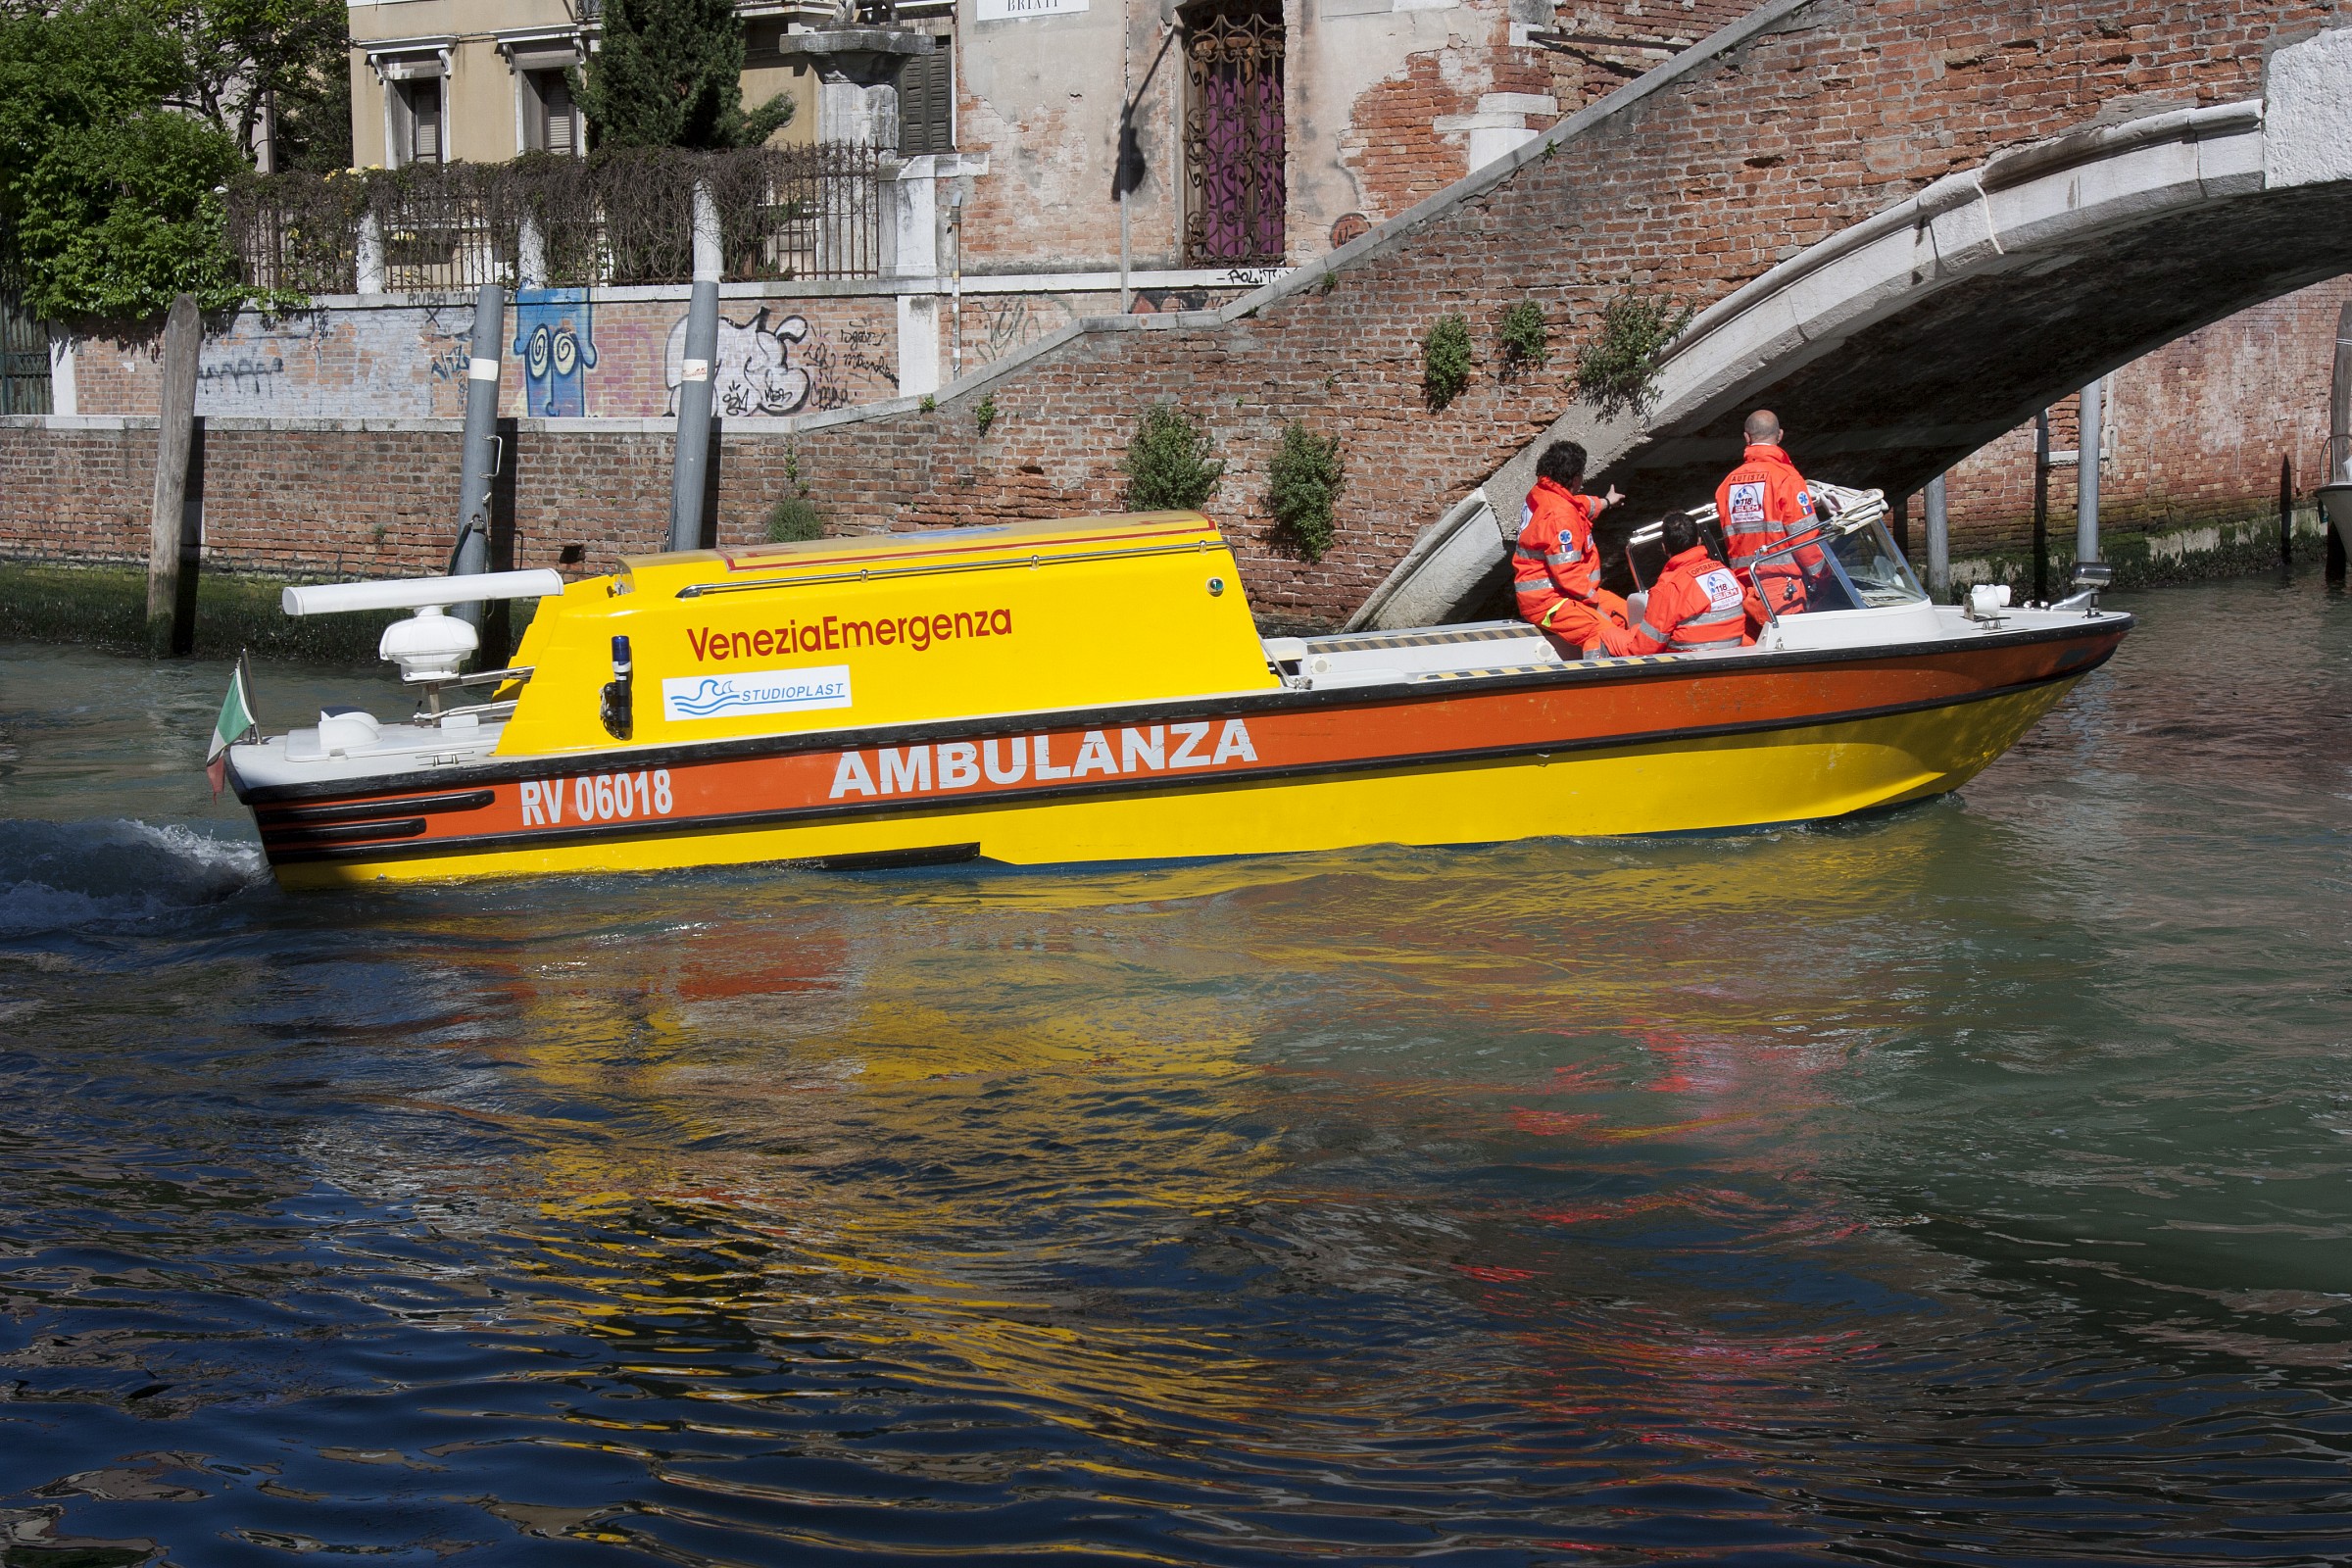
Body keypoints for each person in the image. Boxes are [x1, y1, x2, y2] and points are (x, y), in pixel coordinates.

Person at [1514, 440, 1635, 658]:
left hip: (1561, 594)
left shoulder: (1542, 492)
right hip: (1548, 602)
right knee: (1601, 633)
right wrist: (1596, 608)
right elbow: (1567, 572)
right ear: (1575, 477)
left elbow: (1578, 505)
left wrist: (1606, 501)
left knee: (1630, 615)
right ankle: (1599, 683)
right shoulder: (1560, 516)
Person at [1713, 409, 1827, 625]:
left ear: (1747, 438)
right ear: (1780, 435)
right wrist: (1822, 577)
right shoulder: (1787, 478)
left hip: (1744, 593)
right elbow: (1806, 538)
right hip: (1783, 593)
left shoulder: (1727, 484)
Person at [1622, 513, 1752, 655]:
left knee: (1609, 637)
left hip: (1689, 665)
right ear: (1699, 541)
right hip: (1732, 651)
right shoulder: (1725, 572)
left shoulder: (1667, 588)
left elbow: (1644, 649)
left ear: (1664, 548)